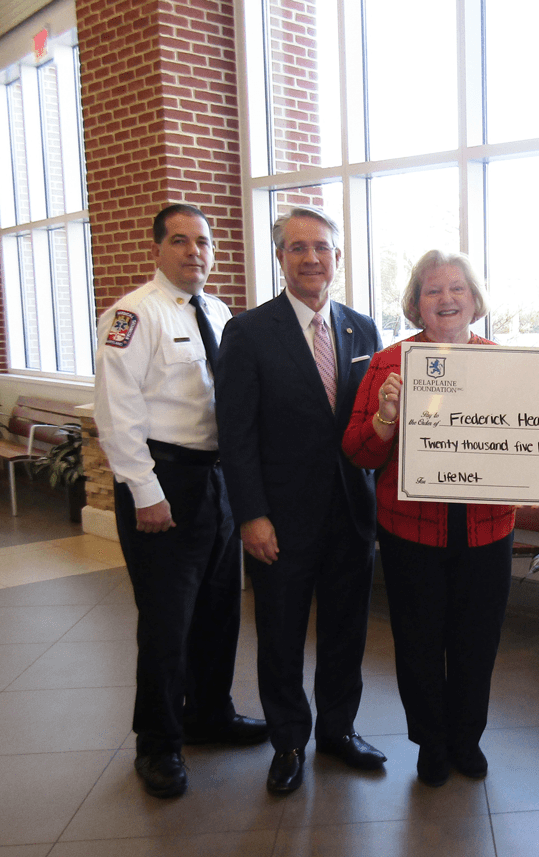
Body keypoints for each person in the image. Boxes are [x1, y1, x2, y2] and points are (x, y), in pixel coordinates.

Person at [94, 204, 267, 798]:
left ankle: (210, 715)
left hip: (215, 481)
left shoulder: (218, 312)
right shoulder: (131, 315)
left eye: (203, 241)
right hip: (163, 482)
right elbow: (117, 413)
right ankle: (159, 742)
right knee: (168, 622)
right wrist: (145, 492)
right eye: (180, 241)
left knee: (220, 609)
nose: (194, 251)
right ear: (157, 249)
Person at [215, 206, 385, 795]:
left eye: (322, 248)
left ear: (338, 258)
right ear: (281, 258)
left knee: (345, 631)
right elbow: (234, 436)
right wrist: (251, 515)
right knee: (282, 633)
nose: (311, 257)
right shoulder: (249, 332)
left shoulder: (363, 330)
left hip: (352, 515)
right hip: (280, 520)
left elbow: (375, 424)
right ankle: (289, 739)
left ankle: (339, 730)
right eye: (298, 248)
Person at [342, 250, 515, 787]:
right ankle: (430, 741)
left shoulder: (506, 364)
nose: (446, 300)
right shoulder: (388, 364)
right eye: (433, 291)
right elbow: (357, 452)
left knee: (476, 640)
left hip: (488, 528)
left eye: (457, 289)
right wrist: (386, 418)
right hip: (411, 531)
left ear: (474, 299)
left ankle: (467, 738)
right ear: (416, 303)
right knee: (418, 642)